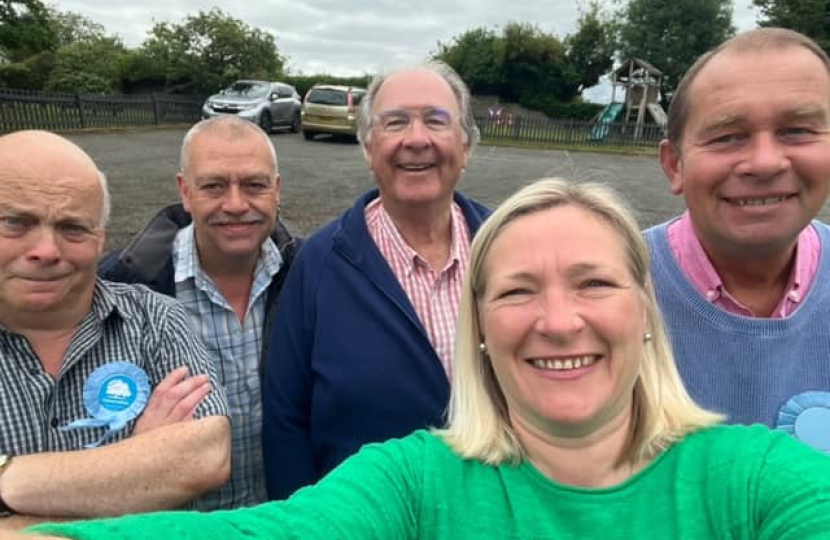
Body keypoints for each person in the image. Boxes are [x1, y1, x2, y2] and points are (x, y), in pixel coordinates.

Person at [25, 178, 830, 540]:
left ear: (646, 313)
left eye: (593, 282)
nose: (557, 321)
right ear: (476, 328)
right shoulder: (410, 484)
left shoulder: (754, 481)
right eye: (516, 292)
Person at [261, 61, 490, 499]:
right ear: (368, 147)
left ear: (466, 146)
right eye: (395, 122)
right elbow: (286, 419)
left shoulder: (509, 247)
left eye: (436, 121)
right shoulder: (320, 262)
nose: (416, 138)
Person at [0, 131, 230, 527]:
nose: (47, 251)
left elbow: (204, 455)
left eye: (73, 228)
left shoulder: (156, 319)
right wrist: (136, 460)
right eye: (16, 223)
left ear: (100, 236)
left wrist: (6, 478)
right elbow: (172, 470)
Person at [98, 115, 301, 509]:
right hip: (177, 526)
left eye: (254, 185)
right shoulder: (121, 285)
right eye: (214, 186)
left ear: (276, 190)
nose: (236, 204)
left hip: (281, 521)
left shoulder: (311, 273)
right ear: (185, 192)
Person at [646, 27, 830, 451]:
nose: (764, 162)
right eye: (727, 136)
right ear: (674, 165)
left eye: (797, 130)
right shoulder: (606, 287)